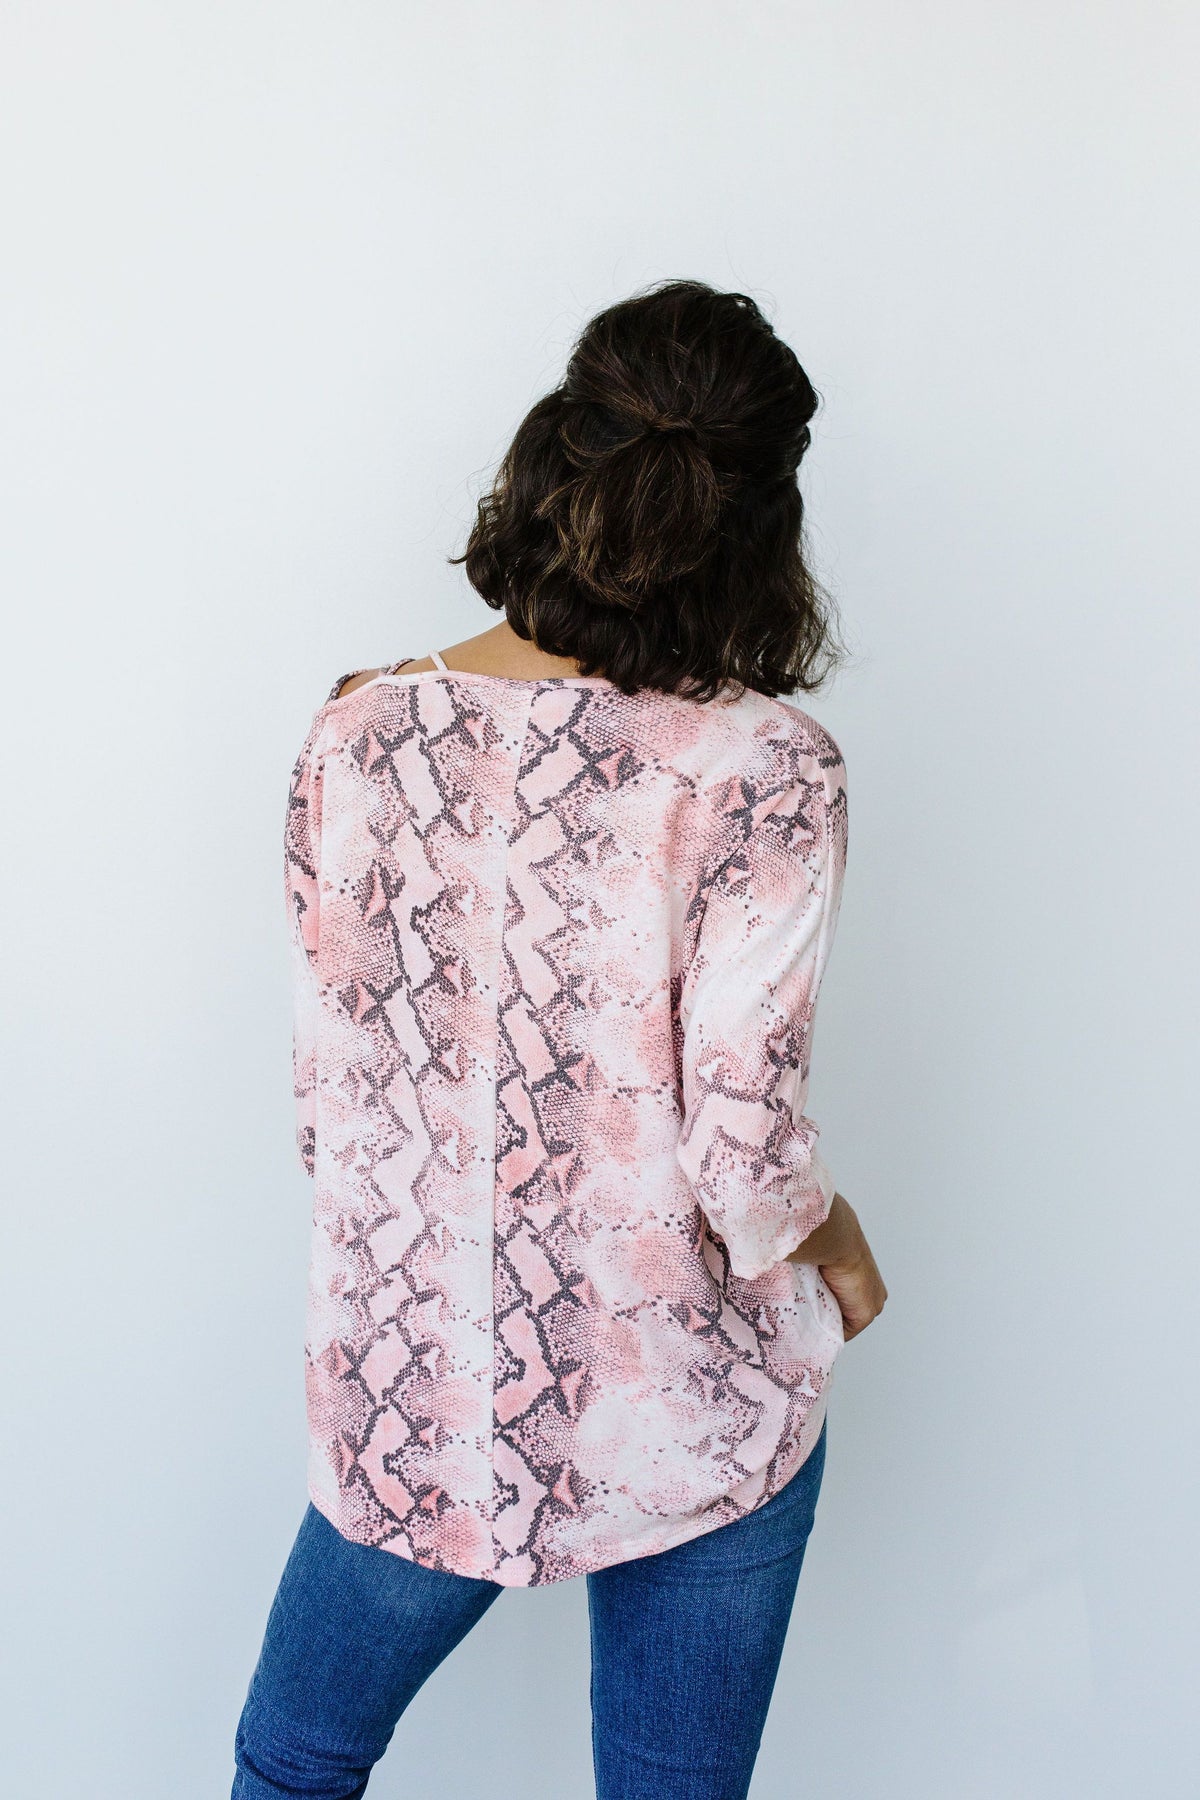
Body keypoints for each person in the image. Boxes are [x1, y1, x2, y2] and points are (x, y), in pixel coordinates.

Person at [232, 278, 887, 1800]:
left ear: (550, 457)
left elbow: (333, 1107)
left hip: (416, 1385)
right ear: (763, 524)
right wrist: (843, 1245)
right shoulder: (768, 766)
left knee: (295, 1762)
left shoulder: (359, 731)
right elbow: (746, 1151)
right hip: (685, 1395)